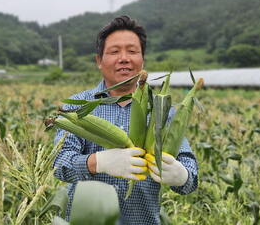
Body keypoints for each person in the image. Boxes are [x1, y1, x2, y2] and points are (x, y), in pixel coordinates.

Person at [53, 15, 198, 225]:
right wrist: (97, 162)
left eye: (132, 51)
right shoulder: (78, 105)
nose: (124, 58)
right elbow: (59, 164)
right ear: (99, 61)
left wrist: (181, 175)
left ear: (142, 60)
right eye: (114, 52)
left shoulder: (161, 109)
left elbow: (190, 176)